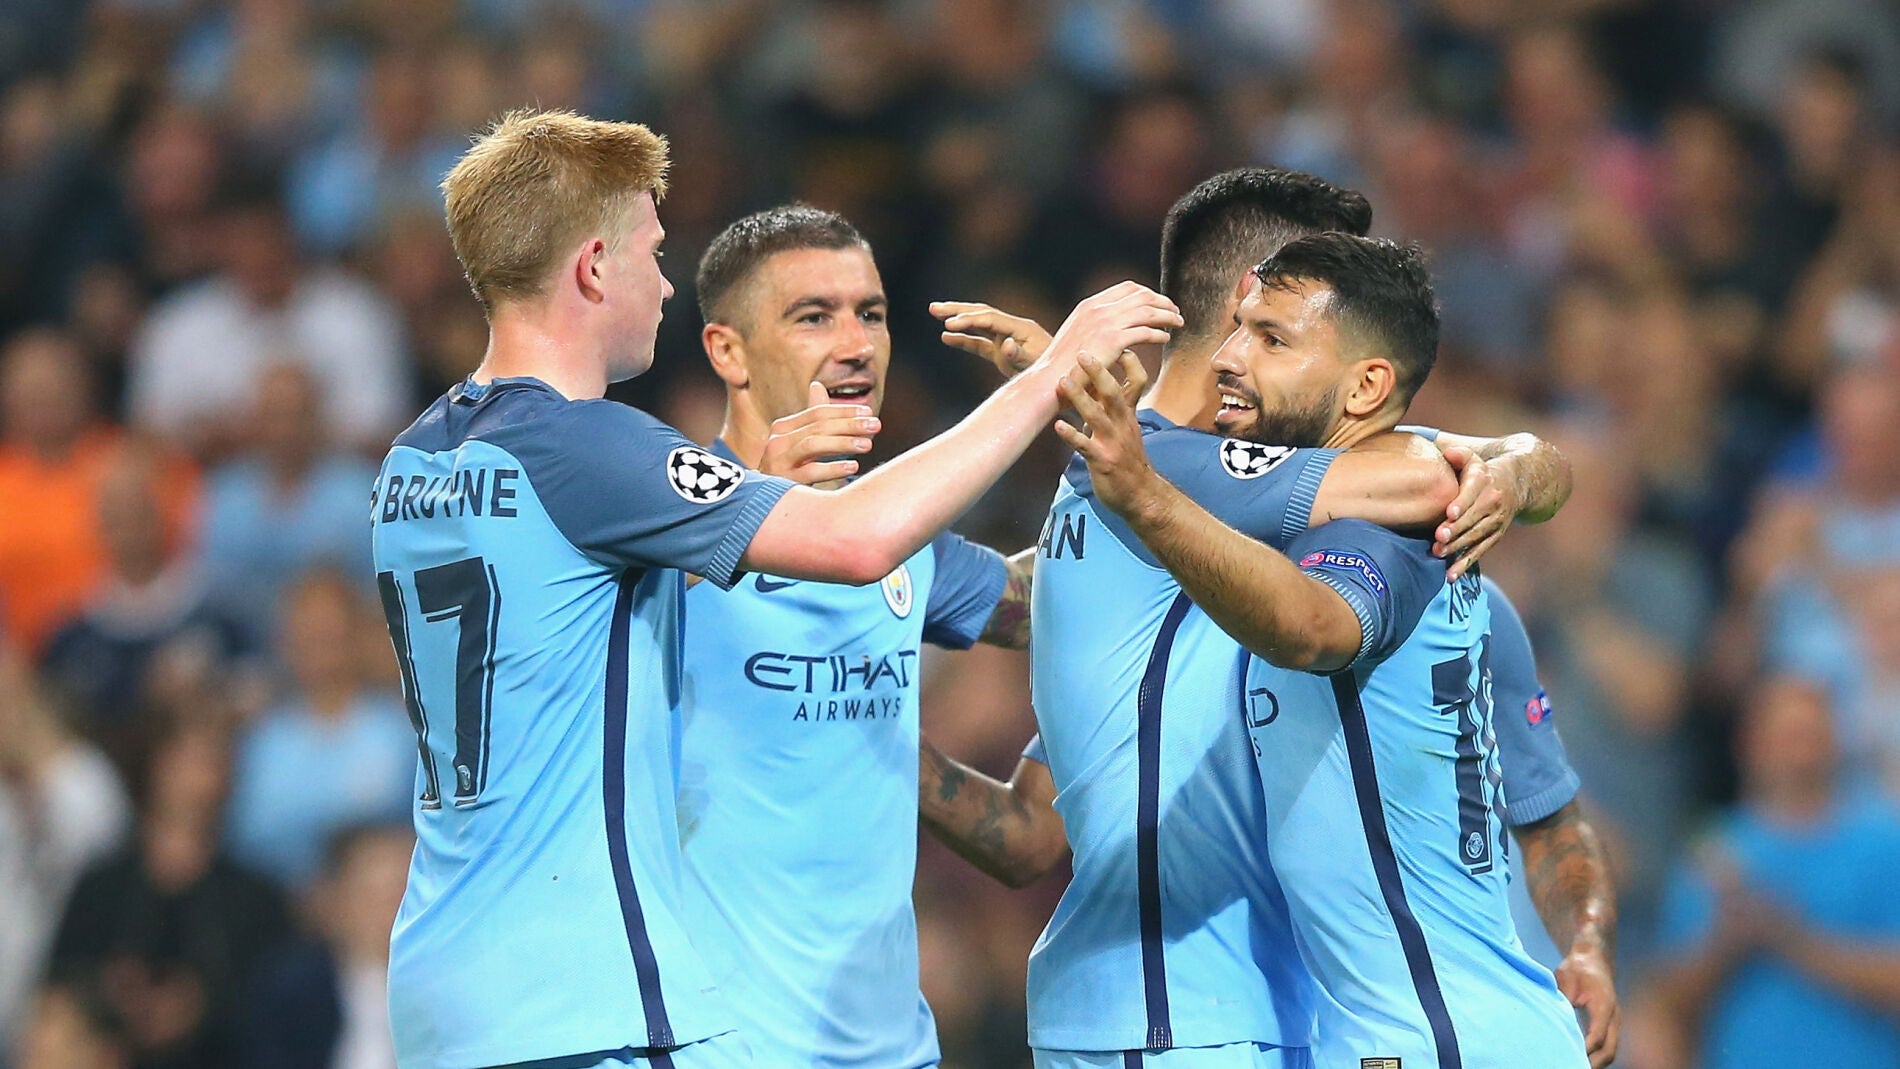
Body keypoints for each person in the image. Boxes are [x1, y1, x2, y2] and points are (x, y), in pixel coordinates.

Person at [371, 108, 1180, 1069]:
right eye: (653, 254)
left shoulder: (413, 458)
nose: (664, 283)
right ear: (593, 268)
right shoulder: (591, 446)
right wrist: (1052, 377)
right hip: (584, 999)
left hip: (443, 986)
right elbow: (857, 537)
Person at [923, 168, 1613, 1066]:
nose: (1242, 354)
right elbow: (1030, 820)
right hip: (1186, 1025)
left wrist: (1522, 466)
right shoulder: (1135, 498)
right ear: (1243, 297)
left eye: (1277, 335)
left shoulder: (1189, 514)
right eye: (1259, 325)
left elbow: (1541, 804)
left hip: (1328, 1030)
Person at [674, 204, 1027, 1069]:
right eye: (813, 316)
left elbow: (1074, 605)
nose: (857, 343)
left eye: (870, 313)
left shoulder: (901, 540)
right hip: (706, 1049)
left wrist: (1110, 440)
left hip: (890, 1050)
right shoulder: (657, 525)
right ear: (727, 350)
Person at [1644, 677, 1900, 1069]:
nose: (1800, 753)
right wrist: (1725, 945)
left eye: (1809, 735)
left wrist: (1791, 940)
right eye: (1787, 736)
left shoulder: (1885, 842)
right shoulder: (1716, 852)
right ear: (1749, 745)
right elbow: (1665, 1001)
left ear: (1836, 741)